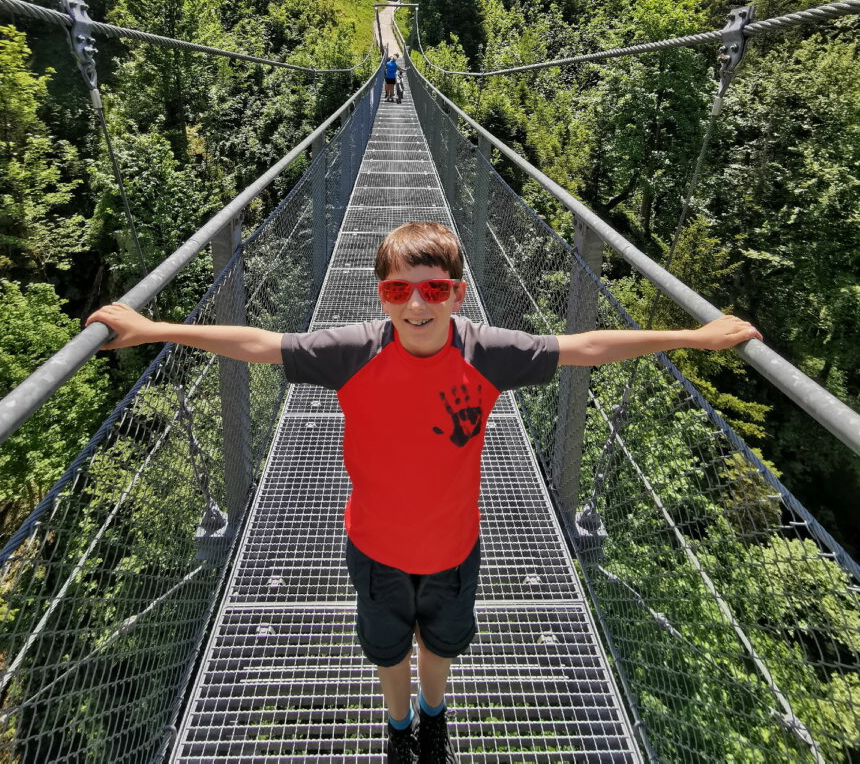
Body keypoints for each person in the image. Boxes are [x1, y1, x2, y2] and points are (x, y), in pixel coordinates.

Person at [86, 221, 762, 764]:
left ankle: (432, 724)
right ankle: (399, 728)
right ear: (379, 293)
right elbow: (261, 344)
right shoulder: (352, 349)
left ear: (459, 294)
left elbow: (584, 346)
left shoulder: (485, 352)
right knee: (389, 654)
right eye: (399, 290)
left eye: (434, 291)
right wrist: (154, 330)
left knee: (438, 650)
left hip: (454, 552)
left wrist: (694, 339)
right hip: (375, 551)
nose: (415, 304)